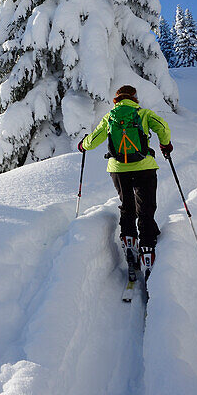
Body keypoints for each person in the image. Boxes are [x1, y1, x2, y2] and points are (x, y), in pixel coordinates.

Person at [78, 84, 172, 279]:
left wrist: (83, 144)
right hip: (144, 167)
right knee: (145, 209)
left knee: (127, 206)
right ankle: (147, 249)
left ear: (117, 99)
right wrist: (165, 144)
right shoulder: (143, 113)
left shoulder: (110, 117)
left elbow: (94, 140)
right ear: (134, 98)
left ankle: (130, 242)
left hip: (118, 169)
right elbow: (162, 127)